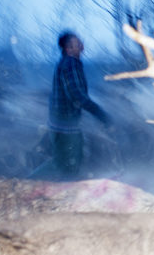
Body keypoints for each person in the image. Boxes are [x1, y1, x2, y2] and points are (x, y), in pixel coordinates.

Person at [40, 31, 110, 179]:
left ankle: (26, 184)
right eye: (77, 44)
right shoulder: (71, 64)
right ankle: (23, 184)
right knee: (65, 168)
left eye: (80, 42)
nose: (82, 45)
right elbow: (77, 96)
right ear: (68, 49)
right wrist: (101, 115)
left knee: (63, 164)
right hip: (66, 127)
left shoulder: (64, 63)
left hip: (60, 124)